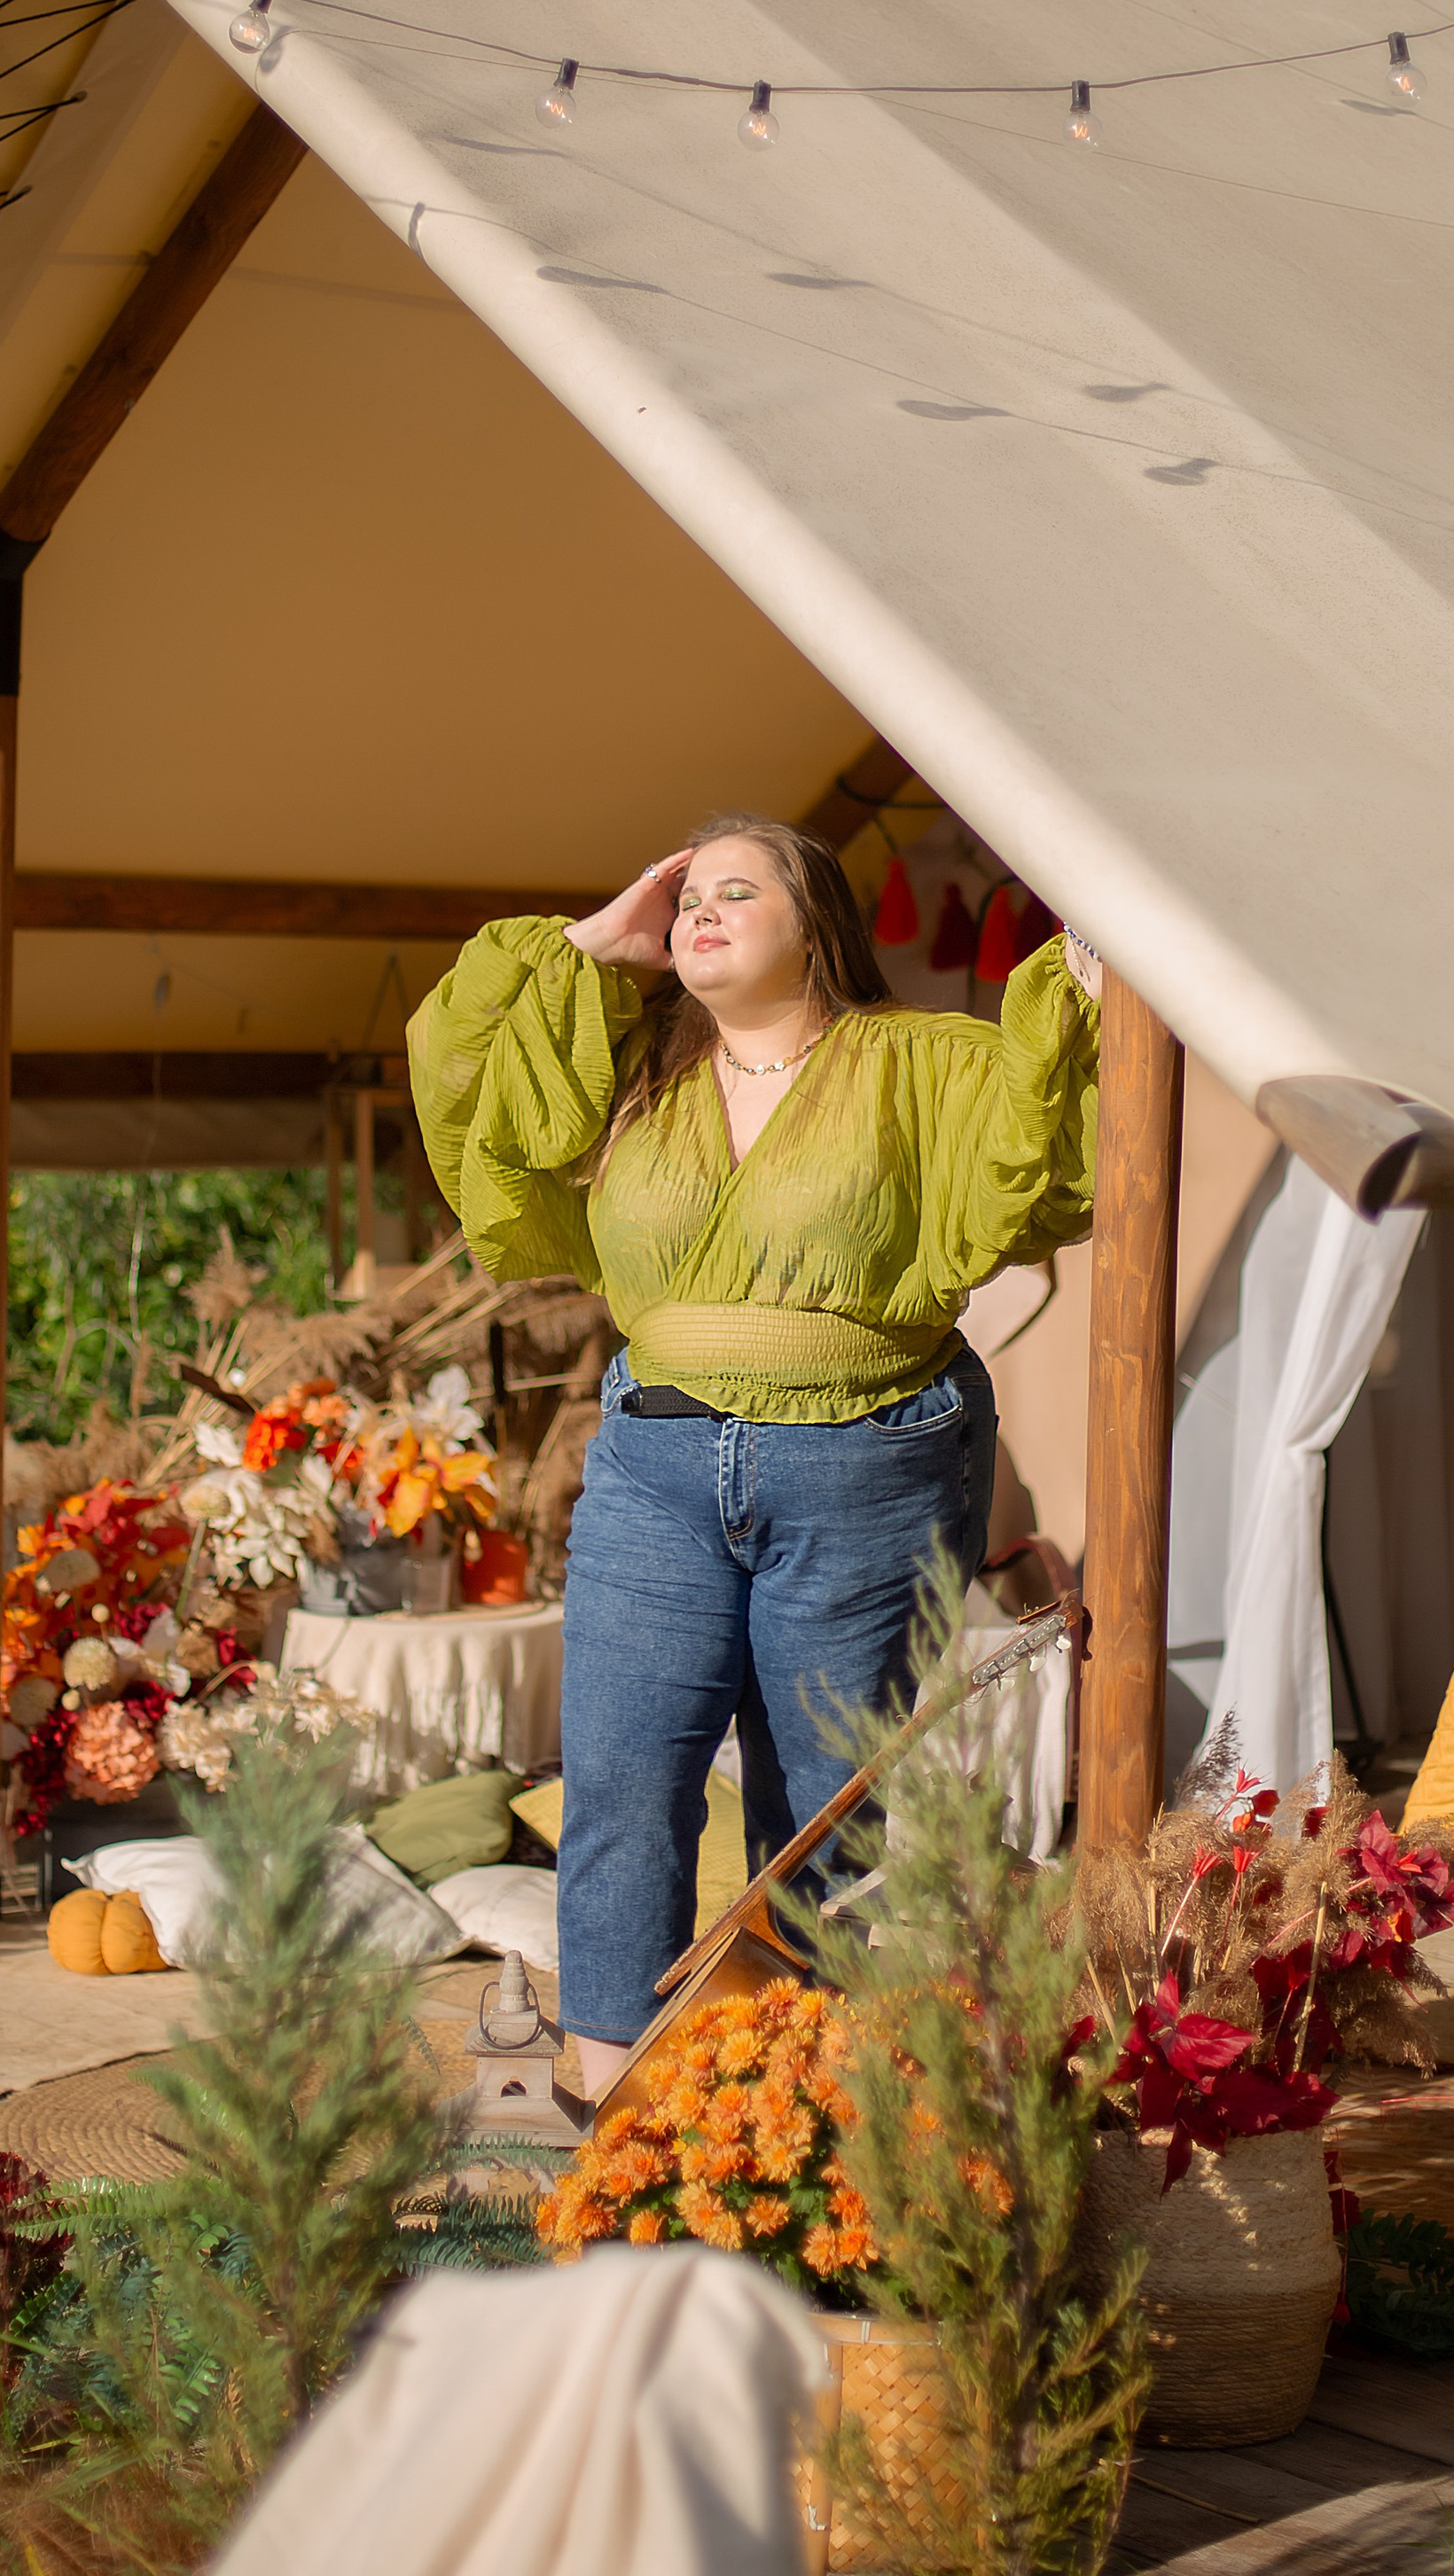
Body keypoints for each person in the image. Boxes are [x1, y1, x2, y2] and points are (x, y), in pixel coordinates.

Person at [408, 815, 1100, 2094]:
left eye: (740, 891)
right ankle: (609, 2098)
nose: (701, 914)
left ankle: (806, 2105)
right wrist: (592, 946)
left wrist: (1090, 968)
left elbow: (1046, 1140)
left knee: (828, 1808)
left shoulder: (920, 1061)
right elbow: (468, 1093)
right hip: (657, 1467)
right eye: (688, 901)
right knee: (622, 1782)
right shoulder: (635, 1080)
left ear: (818, 924)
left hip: (866, 1464)